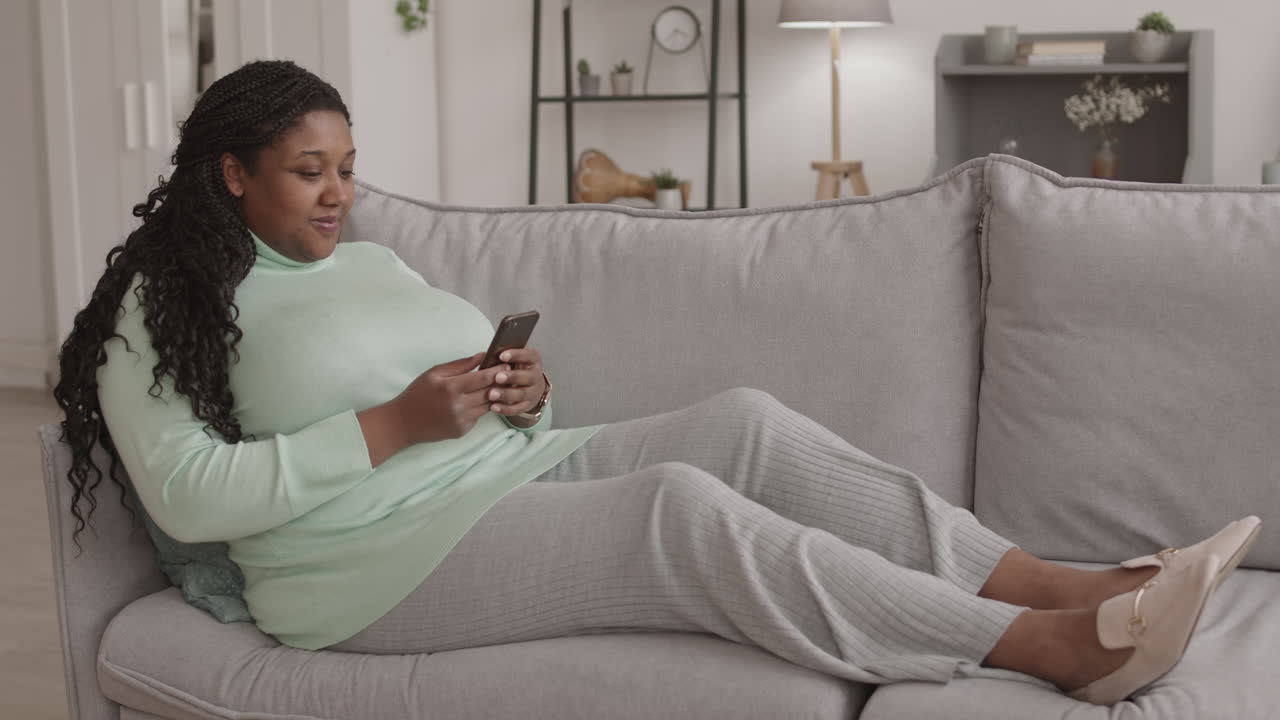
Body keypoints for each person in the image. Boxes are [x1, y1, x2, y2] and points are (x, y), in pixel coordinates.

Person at [53, 59, 1259, 707]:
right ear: (227, 175)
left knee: (738, 426)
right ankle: (1045, 645)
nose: (338, 194)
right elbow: (192, 496)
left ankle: (1068, 577)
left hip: (497, 467)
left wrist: (509, 387)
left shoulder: (368, 254)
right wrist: (392, 425)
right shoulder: (157, 317)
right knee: (674, 511)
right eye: (308, 171)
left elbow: (444, 376)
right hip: (366, 565)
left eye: (348, 168)